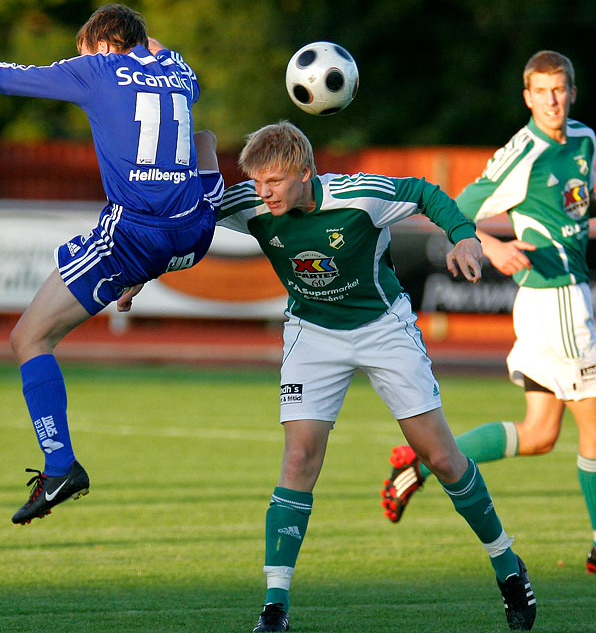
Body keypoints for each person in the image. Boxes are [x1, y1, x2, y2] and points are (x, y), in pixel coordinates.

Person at [212, 120, 536, 632]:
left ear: (304, 172)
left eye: (273, 181)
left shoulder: (359, 195)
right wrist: (136, 276)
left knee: (443, 458)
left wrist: (464, 237)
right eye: (256, 181)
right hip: (311, 332)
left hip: (382, 327)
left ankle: (506, 565)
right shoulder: (251, 204)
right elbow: (185, 222)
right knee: (298, 460)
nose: (263, 192)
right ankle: (275, 607)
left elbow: (427, 192)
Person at [0, 4, 223, 525]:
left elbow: (9, 81)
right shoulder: (181, 72)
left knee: (28, 339)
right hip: (196, 231)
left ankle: (60, 467)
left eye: (83, 49)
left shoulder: (96, 68)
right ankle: (149, 264)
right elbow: (156, 51)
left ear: (99, 45)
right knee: (202, 141)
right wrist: (144, 44)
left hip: (138, 233)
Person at [381, 50, 596, 576]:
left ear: (571, 90)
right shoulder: (523, 154)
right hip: (557, 300)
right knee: (594, 425)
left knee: (541, 433)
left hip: (570, 294)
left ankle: (422, 461)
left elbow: (580, 213)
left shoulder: (587, 141)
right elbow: (451, 207)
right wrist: (492, 247)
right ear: (526, 96)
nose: (551, 100)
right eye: (541, 91)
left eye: (559, 89)